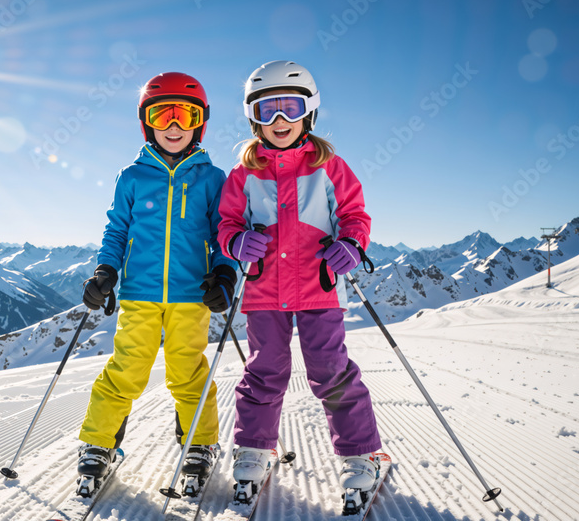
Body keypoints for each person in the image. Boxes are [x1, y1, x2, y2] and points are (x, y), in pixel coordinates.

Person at [217, 60, 383, 500]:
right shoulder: (243, 174)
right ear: (253, 116)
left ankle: (360, 453)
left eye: (290, 107)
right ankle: (254, 448)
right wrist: (236, 242)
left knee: (331, 371)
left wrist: (351, 243)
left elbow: (354, 215)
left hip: (319, 287)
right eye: (268, 109)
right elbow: (227, 222)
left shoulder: (329, 166)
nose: (279, 120)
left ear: (309, 111)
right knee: (265, 372)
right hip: (262, 292)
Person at [75, 72, 238, 497]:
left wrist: (224, 272)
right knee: (125, 371)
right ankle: (99, 444)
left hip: (191, 295)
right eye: (161, 114)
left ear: (199, 123)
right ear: (147, 122)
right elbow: (116, 230)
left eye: (184, 114)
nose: (173, 124)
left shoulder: (212, 178)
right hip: (140, 295)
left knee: (188, 373)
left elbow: (223, 231)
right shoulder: (131, 177)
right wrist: (106, 270)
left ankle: (200, 445)